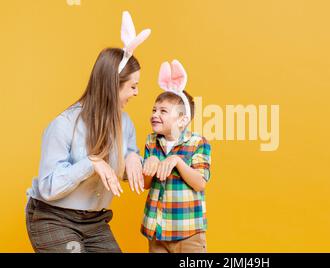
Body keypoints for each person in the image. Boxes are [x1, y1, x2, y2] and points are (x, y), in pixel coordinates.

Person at [25, 11, 150, 253]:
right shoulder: (64, 124)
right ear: (114, 86)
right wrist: (91, 163)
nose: (137, 93)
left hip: (94, 222)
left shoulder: (126, 123)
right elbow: (49, 187)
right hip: (53, 217)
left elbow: (126, 164)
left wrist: (135, 158)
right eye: (133, 86)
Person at [141, 60, 212, 253]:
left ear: (182, 120)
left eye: (163, 111)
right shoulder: (151, 141)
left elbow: (200, 183)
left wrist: (177, 161)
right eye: (154, 110)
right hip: (157, 231)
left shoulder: (198, 143)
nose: (155, 114)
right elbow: (146, 184)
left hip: (188, 232)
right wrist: (150, 163)